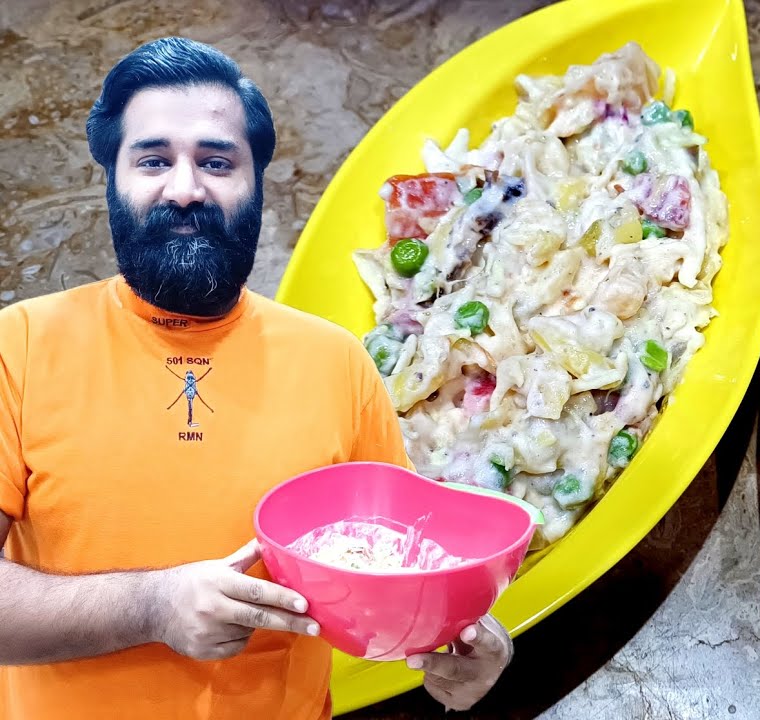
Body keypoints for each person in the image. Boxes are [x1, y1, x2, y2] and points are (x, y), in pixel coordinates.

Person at [0, 36, 512, 719]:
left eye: (217, 161)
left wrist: (467, 645)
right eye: (153, 160)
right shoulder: (17, 348)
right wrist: (151, 607)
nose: (185, 189)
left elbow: (403, 577)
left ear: (257, 185)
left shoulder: (336, 364)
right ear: (112, 181)